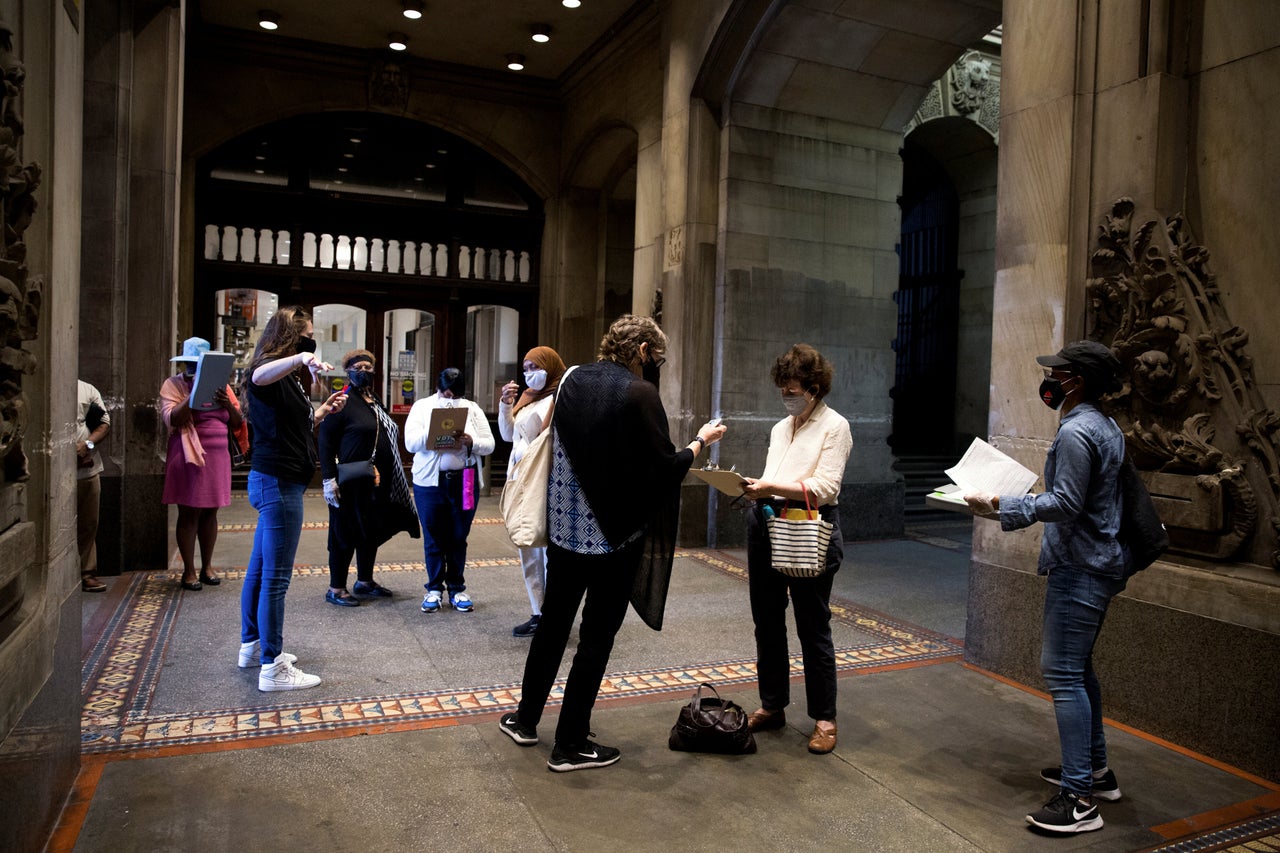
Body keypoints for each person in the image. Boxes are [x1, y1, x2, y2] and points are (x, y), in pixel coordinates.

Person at [497, 314, 726, 772]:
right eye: (654, 358)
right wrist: (701, 441)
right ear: (642, 351)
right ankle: (571, 744)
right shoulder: (639, 393)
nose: (653, 367)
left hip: (564, 533)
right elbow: (662, 467)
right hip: (611, 542)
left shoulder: (573, 378)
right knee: (596, 639)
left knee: (553, 627)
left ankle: (525, 721)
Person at [963, 340, 1127, 835]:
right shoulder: (1106, 425)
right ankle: (1096, 773)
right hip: (1098, 561)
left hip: (1081, 566)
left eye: (1060, 371)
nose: (1051, 379)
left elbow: (1066, 502)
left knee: (1061, 674)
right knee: (1079, 671)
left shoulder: (1078, 432)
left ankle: (1080, 801)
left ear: (1077, 380)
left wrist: (1003, 505)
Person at [739, 344, 852, 755]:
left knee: (812, 625)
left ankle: (824, 717)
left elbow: (825, 488)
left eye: (793, 389)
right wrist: (757, 488)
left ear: (815, 387)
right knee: (766, 623)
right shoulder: (779, 427)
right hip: (767, 523)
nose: (787, 396)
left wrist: (771, 488)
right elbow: (775, 476)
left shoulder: (834, 426)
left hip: (808, 527)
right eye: (782, 389)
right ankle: (773, 705)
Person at [238, 306, 347, 691]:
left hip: (277, 480)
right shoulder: (268, 370)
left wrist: (320, 412)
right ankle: (273, 667)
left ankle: (252, 646)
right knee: (276, 578)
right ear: (289, 337)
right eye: (306, 337)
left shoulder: (288, 381)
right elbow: (257, 375)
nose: (311, 343)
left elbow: (289, 423)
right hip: (277, 483)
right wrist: (300, 358)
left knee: (259, 569)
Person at [317, 349, 419, 607]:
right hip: (349, 483)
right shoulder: (342, 401)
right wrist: (328, 479)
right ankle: (336, 588)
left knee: (369, 531)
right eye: (357, 367)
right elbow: (326, 441)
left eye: (368, 367)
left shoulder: (373, 400)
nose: (363, 371)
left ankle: (364, 581)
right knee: (343, 533)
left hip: (376, 482)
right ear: (348, 371)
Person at [404, 367, 496, 614]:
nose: (450, 398)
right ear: (437, 387)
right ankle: (434, 589)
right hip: (429, 483)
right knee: (434, 535)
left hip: (465, 481)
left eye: (454, 395)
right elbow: (410, 443)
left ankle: (457, 588)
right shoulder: (422, 407)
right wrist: (435, 431)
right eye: (446, 393)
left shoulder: (473, 409)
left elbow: (490, 444)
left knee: (458, 535)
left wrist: (472, 442)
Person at [160, 337, 243, 591]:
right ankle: (189, 570)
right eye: (192, 364)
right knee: (189, 513)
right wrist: (194, 394)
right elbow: (172, 418)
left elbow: (238, 422)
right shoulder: (173, 384)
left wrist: (227, 402)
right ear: (185, 363)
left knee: (211, 512)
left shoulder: (223, 386)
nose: (194, 368)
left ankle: (207, 566)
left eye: (200, 365)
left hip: (218, 455)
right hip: (187, 454)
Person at [497, 346, 567, 637]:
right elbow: (506, 434)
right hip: (520, 479)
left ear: (549, 367)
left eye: (534, 367)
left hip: (543, 479)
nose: (529, 374)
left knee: (547, 548)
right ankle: (537, 610)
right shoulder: (527, 398)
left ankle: (553, 614)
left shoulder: (559, 397)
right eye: (525, 368)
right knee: (527, 544)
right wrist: (505, 404)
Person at [76, 379, 111, 592]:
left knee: (89, 523)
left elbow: (104, 422)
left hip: (87, 470)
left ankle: (87, 572)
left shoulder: (87, 390)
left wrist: (87, 445)